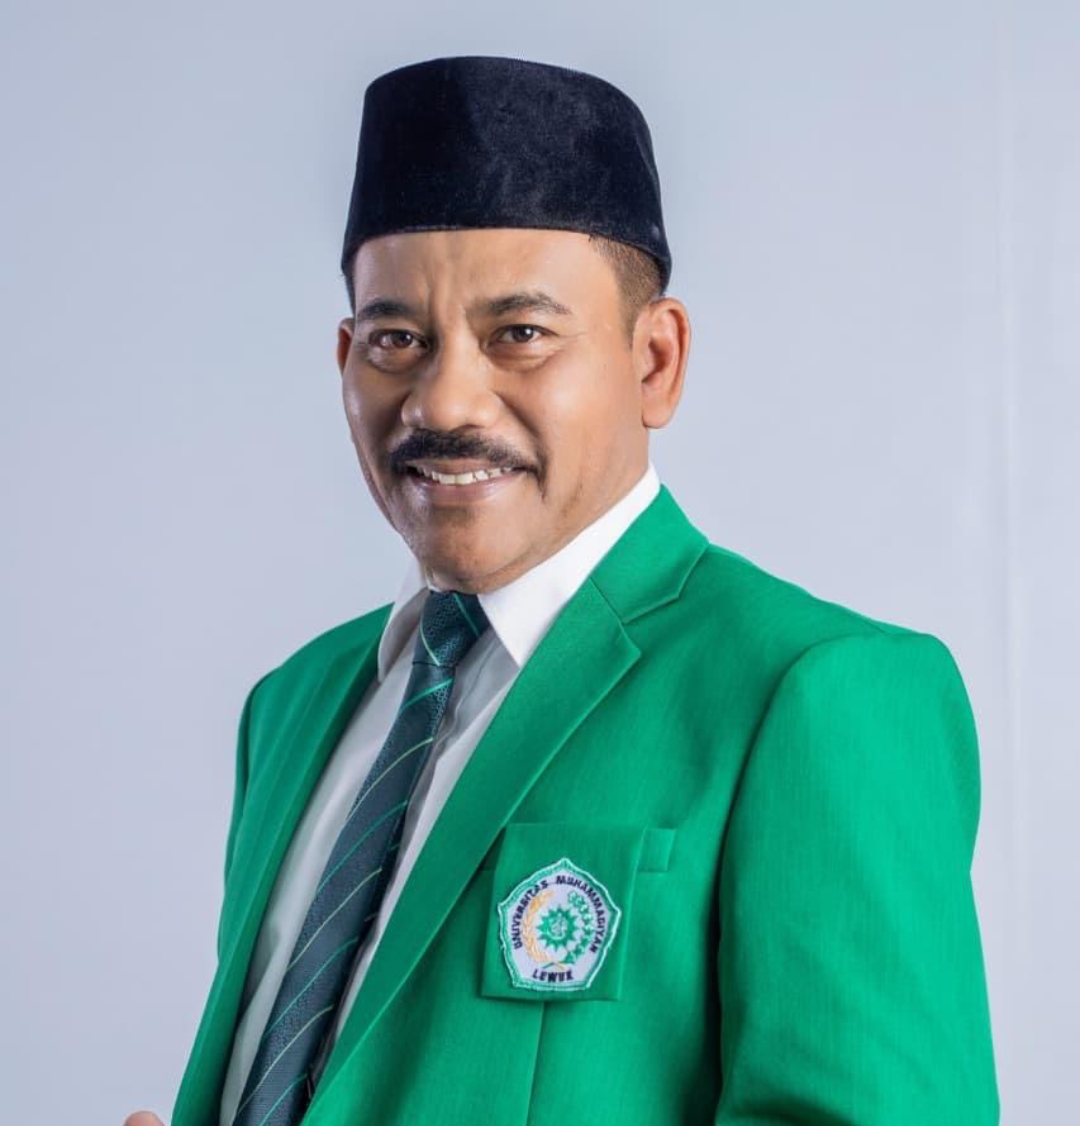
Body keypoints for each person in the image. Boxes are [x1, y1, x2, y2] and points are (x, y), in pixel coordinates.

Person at [124, 54, 1000, 1126]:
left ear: (655, 361)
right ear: (345, 357)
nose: (444, 400)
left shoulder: (814, 693)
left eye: (521, 335)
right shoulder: (293, 705)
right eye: (397, 339)